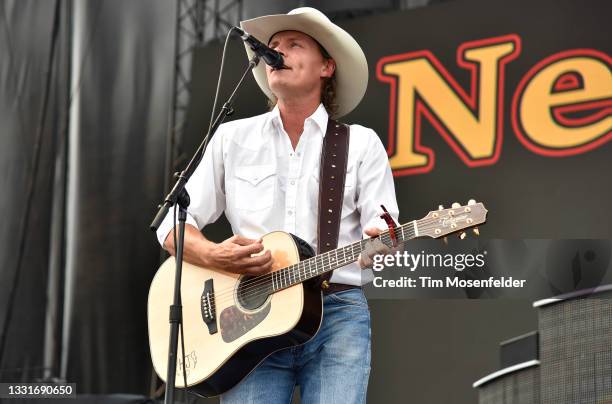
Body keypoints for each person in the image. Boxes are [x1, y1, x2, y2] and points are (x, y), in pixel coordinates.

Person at [156, 7, 399, 404]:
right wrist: (216, 255)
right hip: (248, 321)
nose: (278, 52)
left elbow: (384, 227)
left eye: (294, 44)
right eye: (272, 47)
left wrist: (383, 241)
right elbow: (171, 225)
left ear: (326, 67)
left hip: (335, 312)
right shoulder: (232, 138)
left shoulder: (360, 143)